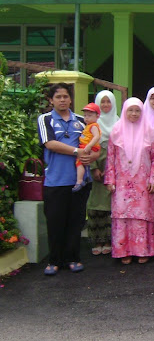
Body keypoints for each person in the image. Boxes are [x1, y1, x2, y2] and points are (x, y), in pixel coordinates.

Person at [38, 83, 99, 275]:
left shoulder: (82, 120)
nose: (62, 100)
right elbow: (50, 144)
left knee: (76, 221)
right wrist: (78, 151)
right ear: (51, 100)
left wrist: (92, 157)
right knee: (55, 221)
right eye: (58, 97)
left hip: (80, 181)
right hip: (56, 180)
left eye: (65, 96)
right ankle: (54, 261)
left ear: (71, 99)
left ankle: (73, 258)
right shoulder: (45, 119)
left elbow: (96, 146)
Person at [105, 98, 154, 265]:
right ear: (124, 111)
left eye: (137, 110)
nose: (134, 113)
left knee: (141, 217)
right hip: (122, 182)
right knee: (122, 216)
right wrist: (110, 179)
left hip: (143, 183)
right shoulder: (116, 131)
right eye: (131, 110)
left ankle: (142, 250)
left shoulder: (149, 132)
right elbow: (110, 158)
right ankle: (124, 251)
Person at [87, 90, 120, 256]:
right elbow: (86, 145)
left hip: (113, 168)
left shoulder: (119, 122)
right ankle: (96, 240)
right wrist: (94, 168)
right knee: (95, 204)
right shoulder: (93, 124)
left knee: (110, 204)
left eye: (109, 102)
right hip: (97, 167)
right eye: (103, 102)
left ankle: (108, 240)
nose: (106, 105)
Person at [73, 102, 102, 192]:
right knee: (83, 163)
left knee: (79, 162)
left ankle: (79, 181)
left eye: (89, 116)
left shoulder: (93, 126)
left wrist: (89, 146)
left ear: (97, 116)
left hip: (88, 147)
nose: (86, 118)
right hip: (85, 146)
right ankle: (86, 178)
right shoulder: (88, 125)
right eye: (85, 115)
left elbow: (97, 136)